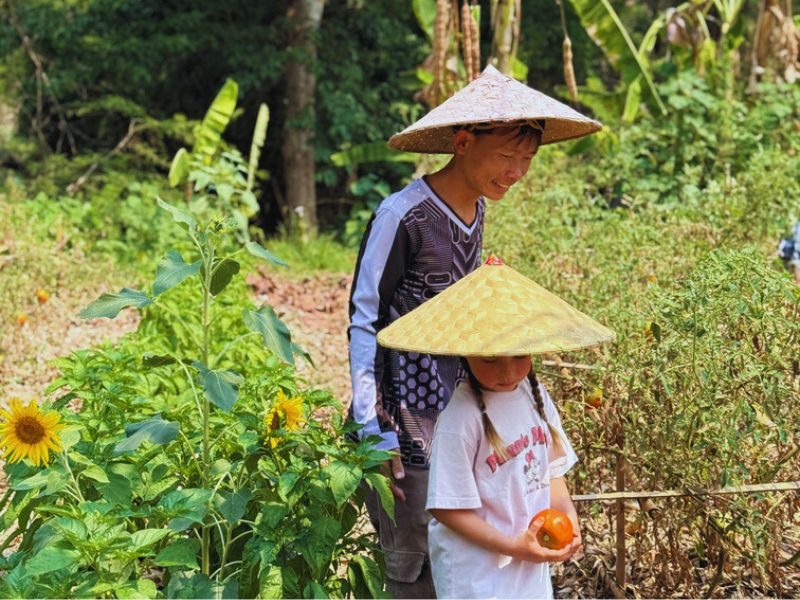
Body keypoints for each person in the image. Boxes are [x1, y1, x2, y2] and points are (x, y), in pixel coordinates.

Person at [348, 65, 602, 597]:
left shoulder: (478, 208)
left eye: (526, 161)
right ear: (463, 143)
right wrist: (375, 429)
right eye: (507, 158)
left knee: (468, 558)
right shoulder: (403, 216)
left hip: (461, 414)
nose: (516, 172)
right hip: (402, 423)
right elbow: (364, 318)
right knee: (415, 565)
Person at [376, 256, 615, 598]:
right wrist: (514, 546)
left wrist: (568, 517)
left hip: (527, 560)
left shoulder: (536, 397)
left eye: (519, 356)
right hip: (477, 575)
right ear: (465, 352)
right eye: (490, 359)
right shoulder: (461, 419)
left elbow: (552, 473)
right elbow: (447, 509)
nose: (507, 372)